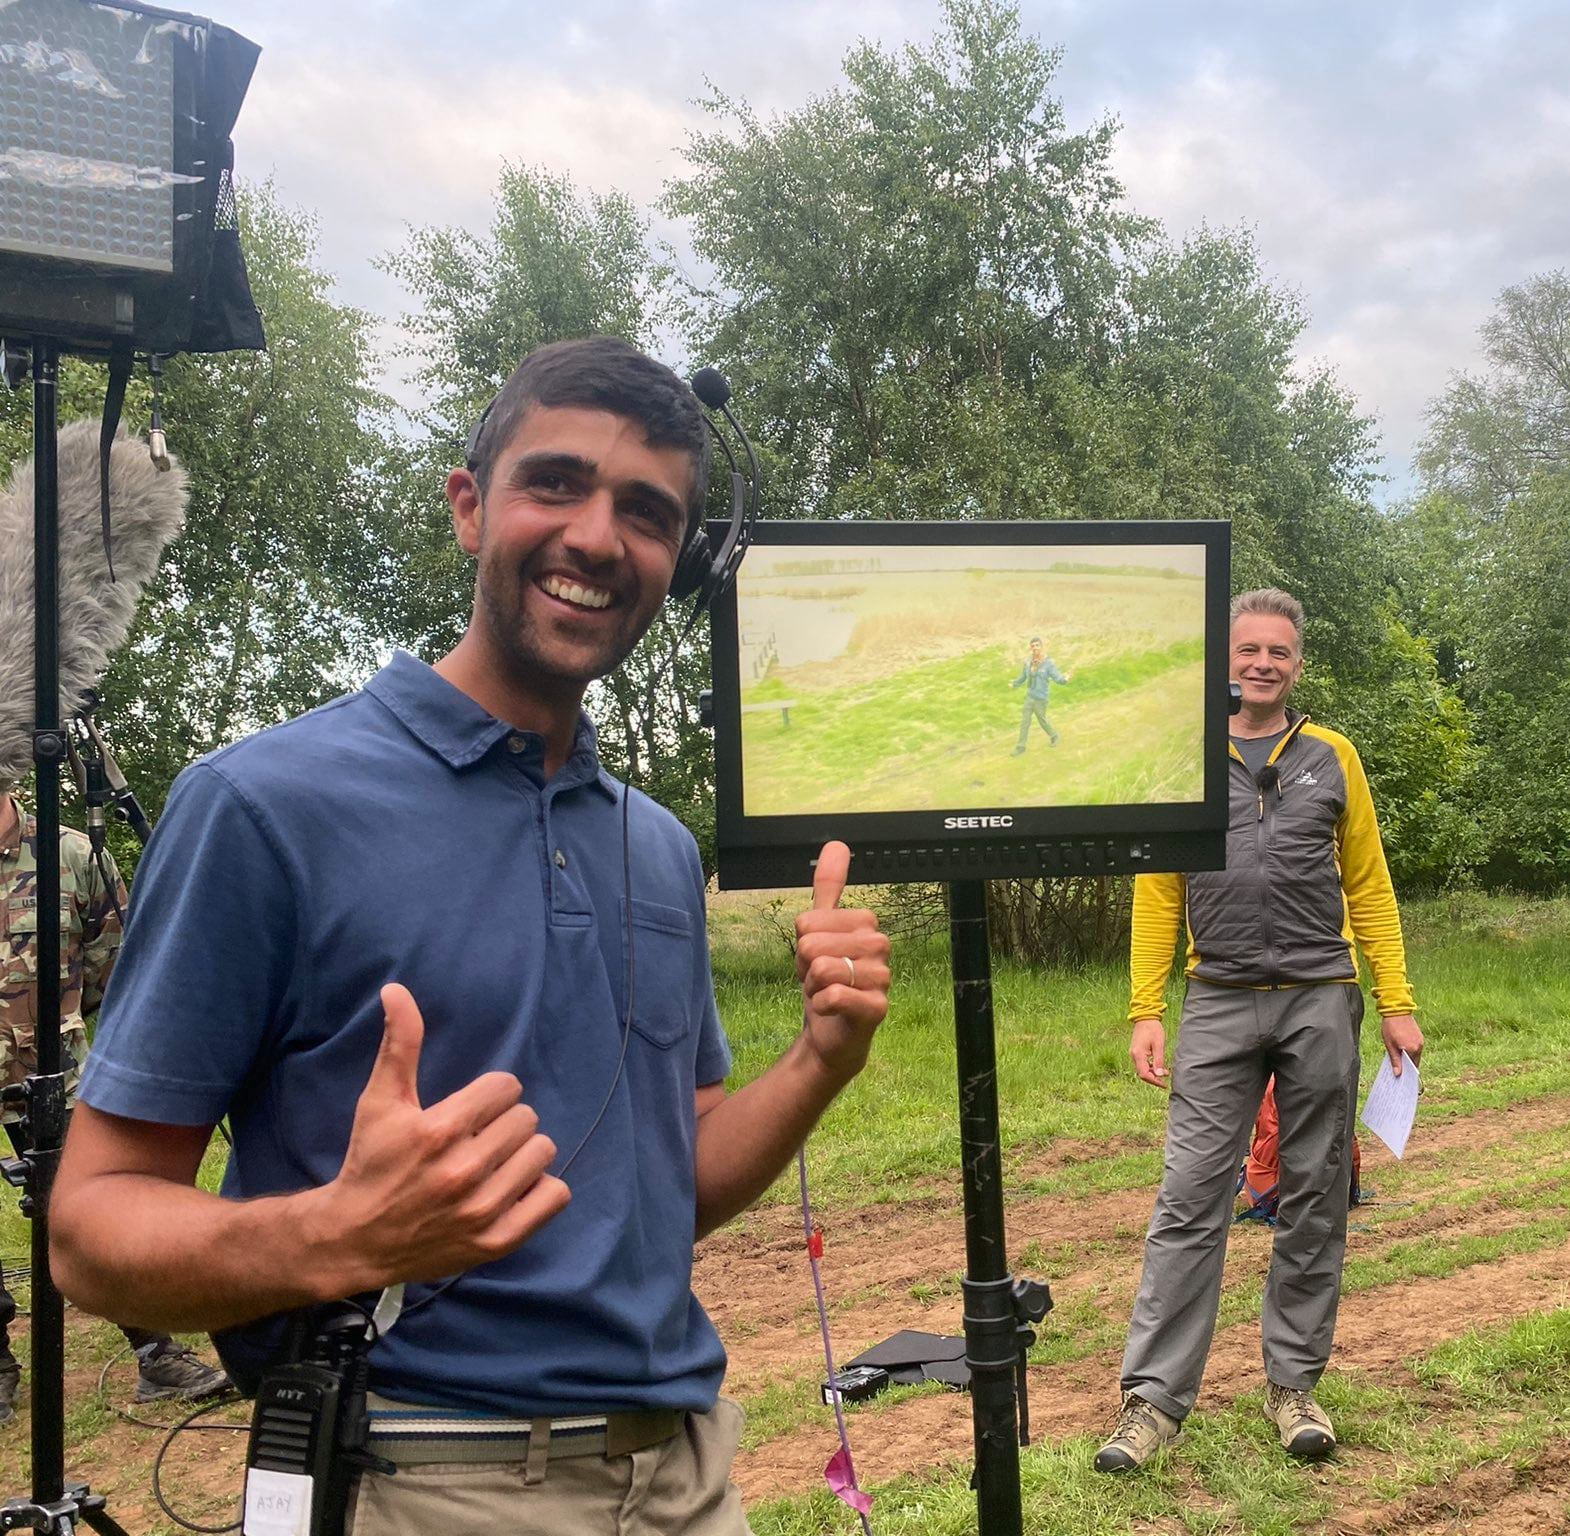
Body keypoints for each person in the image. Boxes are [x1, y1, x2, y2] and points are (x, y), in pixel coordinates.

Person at [50, 338, 892, 1534]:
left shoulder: (651, 844)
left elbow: (667, 1183)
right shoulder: (264, 806)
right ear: (467, 506)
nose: (598, 537)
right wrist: (333, 1234)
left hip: (686, 1475)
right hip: (419, 1477)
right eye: (556, 483)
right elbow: (91, 1227)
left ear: (678, 563)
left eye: (647, 512)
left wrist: (820, 1061)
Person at [1095, 587, 1423, 1472]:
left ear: (1297, 663)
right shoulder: (1188, 757)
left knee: (1314, 1193)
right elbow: (1157, 888)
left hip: (1322, 995)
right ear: (1225, 659)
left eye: (1278, 652)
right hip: (1218, 998)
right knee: (1191, 1195)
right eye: (1248, 651)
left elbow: (1371, 885)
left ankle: (1294, 1387)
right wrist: (1144, 1009)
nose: (1262, 664)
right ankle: (1153, 1403)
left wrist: (1396, 1000)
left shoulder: (1333, 756)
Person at [0, 785, 230, 1419]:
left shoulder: (69, 854)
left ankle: (155, 1354)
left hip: (51, 1075)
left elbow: (118, 961)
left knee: (88, 1209)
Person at [1010, 636, 1070, 755]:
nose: (1035, 648)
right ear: (1030, 648)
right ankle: (1021, 747)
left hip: (1041, 698)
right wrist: (1014, 683)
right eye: (1032, 646)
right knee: (1025, 722)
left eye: (1037, 645)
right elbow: (1023, 677)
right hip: (1030, 697)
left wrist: (1065, 679)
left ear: (1041, 647)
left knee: (1042, 720)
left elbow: (1057, 677)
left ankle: (1054, 735)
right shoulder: (1028, 662)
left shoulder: (1048, 663)